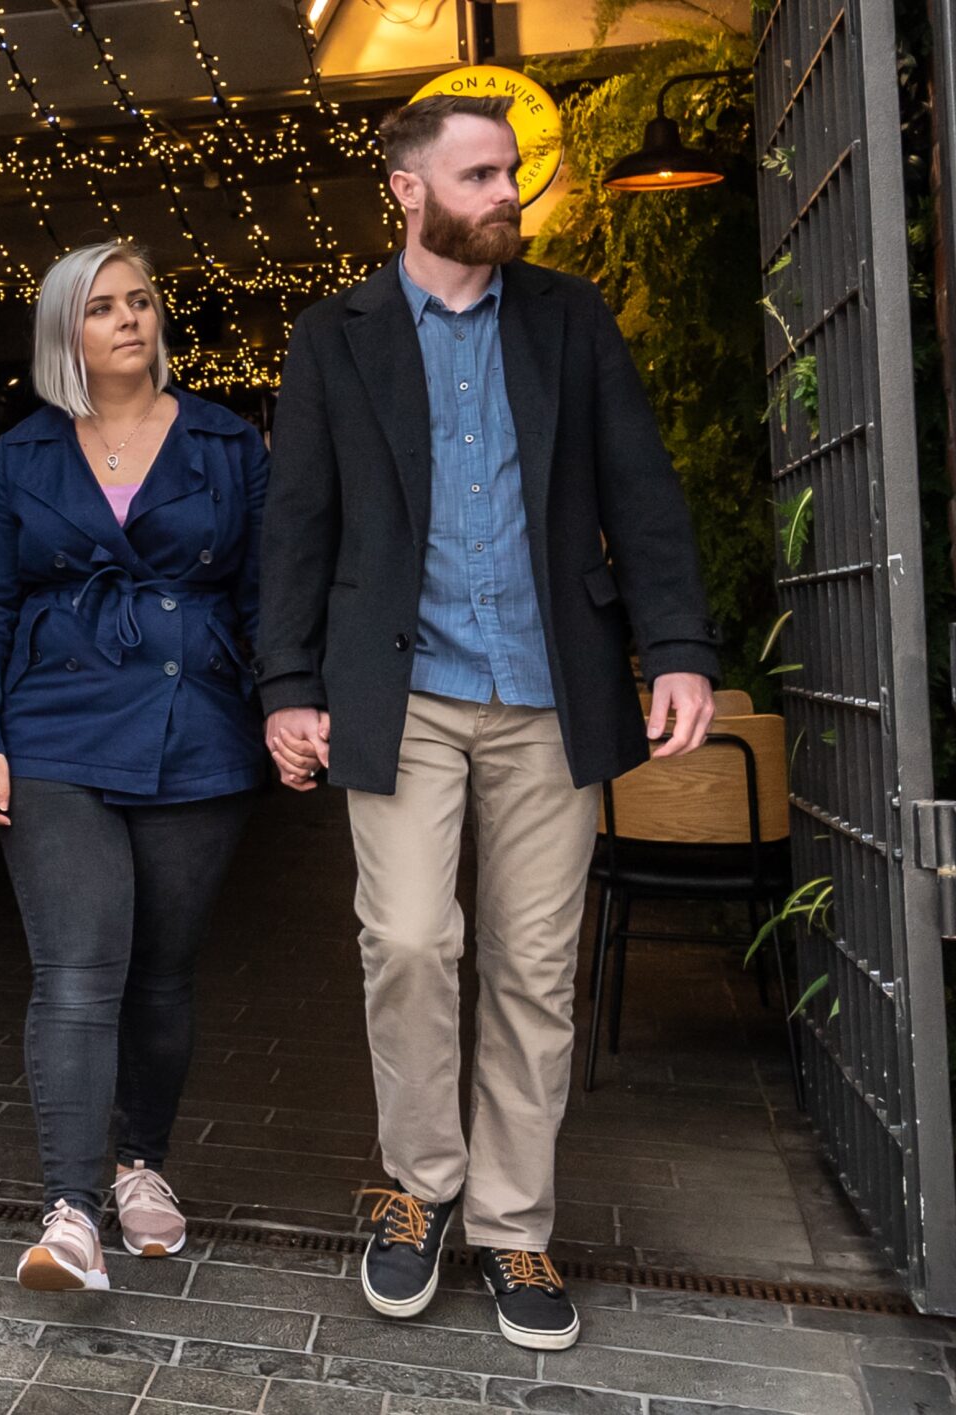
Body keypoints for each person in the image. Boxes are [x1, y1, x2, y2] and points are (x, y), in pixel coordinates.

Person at [255, 95, 719, 1351]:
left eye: (511, 170)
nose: (509, 190)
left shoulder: (568, 317)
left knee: (532, 967)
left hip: (550, 688)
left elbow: (643, 486)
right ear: (408, 191)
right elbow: (297, 519)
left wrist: (677, 649)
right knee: (407, 940)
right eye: (480, 173)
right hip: (397, 695)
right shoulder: (332, 335)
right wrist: (286, 685)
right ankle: (420, 1186)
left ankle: (512, 1218)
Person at [0, 240, 268, 1292]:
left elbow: (271, 591)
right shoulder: (23, 456)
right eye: (101, 308)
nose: (129, 319)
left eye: (141, 301)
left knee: (163, 975)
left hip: (197, 728)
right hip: (53, 732)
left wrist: (288, 709)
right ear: (65, 334)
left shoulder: (228, 441)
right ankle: (71, 1210)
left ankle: (142, 1167)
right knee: (80, 971)